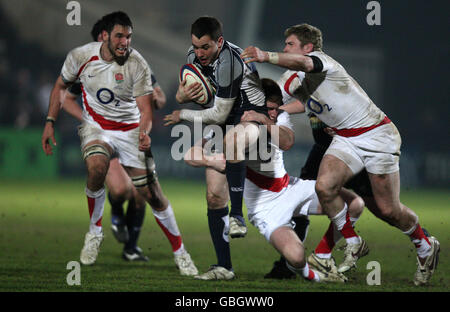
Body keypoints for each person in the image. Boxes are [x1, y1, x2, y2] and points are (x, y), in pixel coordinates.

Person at [241, 23, 440, 285]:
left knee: (388, 209)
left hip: (377, 135)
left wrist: (265, 55)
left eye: (289, 44)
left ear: (307, 47)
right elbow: (270, 97)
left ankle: (425, 246)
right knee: (324, 186)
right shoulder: (292, 78)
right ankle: (351, 242)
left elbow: (304, 65)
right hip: (345, 139)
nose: (284, 48)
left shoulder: (323, 63)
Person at [41, 11, 198, 276]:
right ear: (106, 37)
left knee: (153, 197)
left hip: (130, 132)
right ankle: (94, 233)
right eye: (119, 36)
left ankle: (181, 253)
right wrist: (49, 121)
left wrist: (145, 131)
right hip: (97, 129)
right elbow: (60, 88)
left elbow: (147, 110)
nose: (125, 41)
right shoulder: (81, 57)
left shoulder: (137, 64)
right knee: (97, 167)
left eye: (129, 36)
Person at [186, 78, 365, 283]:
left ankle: (322, 256)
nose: (274, 112)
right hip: (265, 208)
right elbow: (191, 154)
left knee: (355, 204)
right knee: (296, 258)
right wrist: (212, 160)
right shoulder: (228, 123)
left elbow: (287, 141)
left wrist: (264, 119)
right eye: (269, 108)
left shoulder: (277, 117)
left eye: (276, 108)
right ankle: (314, 276)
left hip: (290, 187)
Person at [60, 18, 167, 262]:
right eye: (107, 38)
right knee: (120, 190)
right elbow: (67, 96)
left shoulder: (137, 66)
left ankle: (131, 248)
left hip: (133, 137)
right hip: (106, 138)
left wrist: (156, 98)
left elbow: (159, 100)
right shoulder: (89, 69)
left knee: (141, 194)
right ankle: (116, 213)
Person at [164, 17, 267, 244]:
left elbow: (218, 113)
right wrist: (181, 97)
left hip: (251, 116)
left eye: (205, 47)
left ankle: (237, 216)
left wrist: (183, 114)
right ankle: (223, 266)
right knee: (213, 196)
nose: (199, 53)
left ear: (219, 42)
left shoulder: (230, 61)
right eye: (196, 46)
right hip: (224, 119)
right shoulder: (193, 57)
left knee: (232, 141)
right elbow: (199, 97)